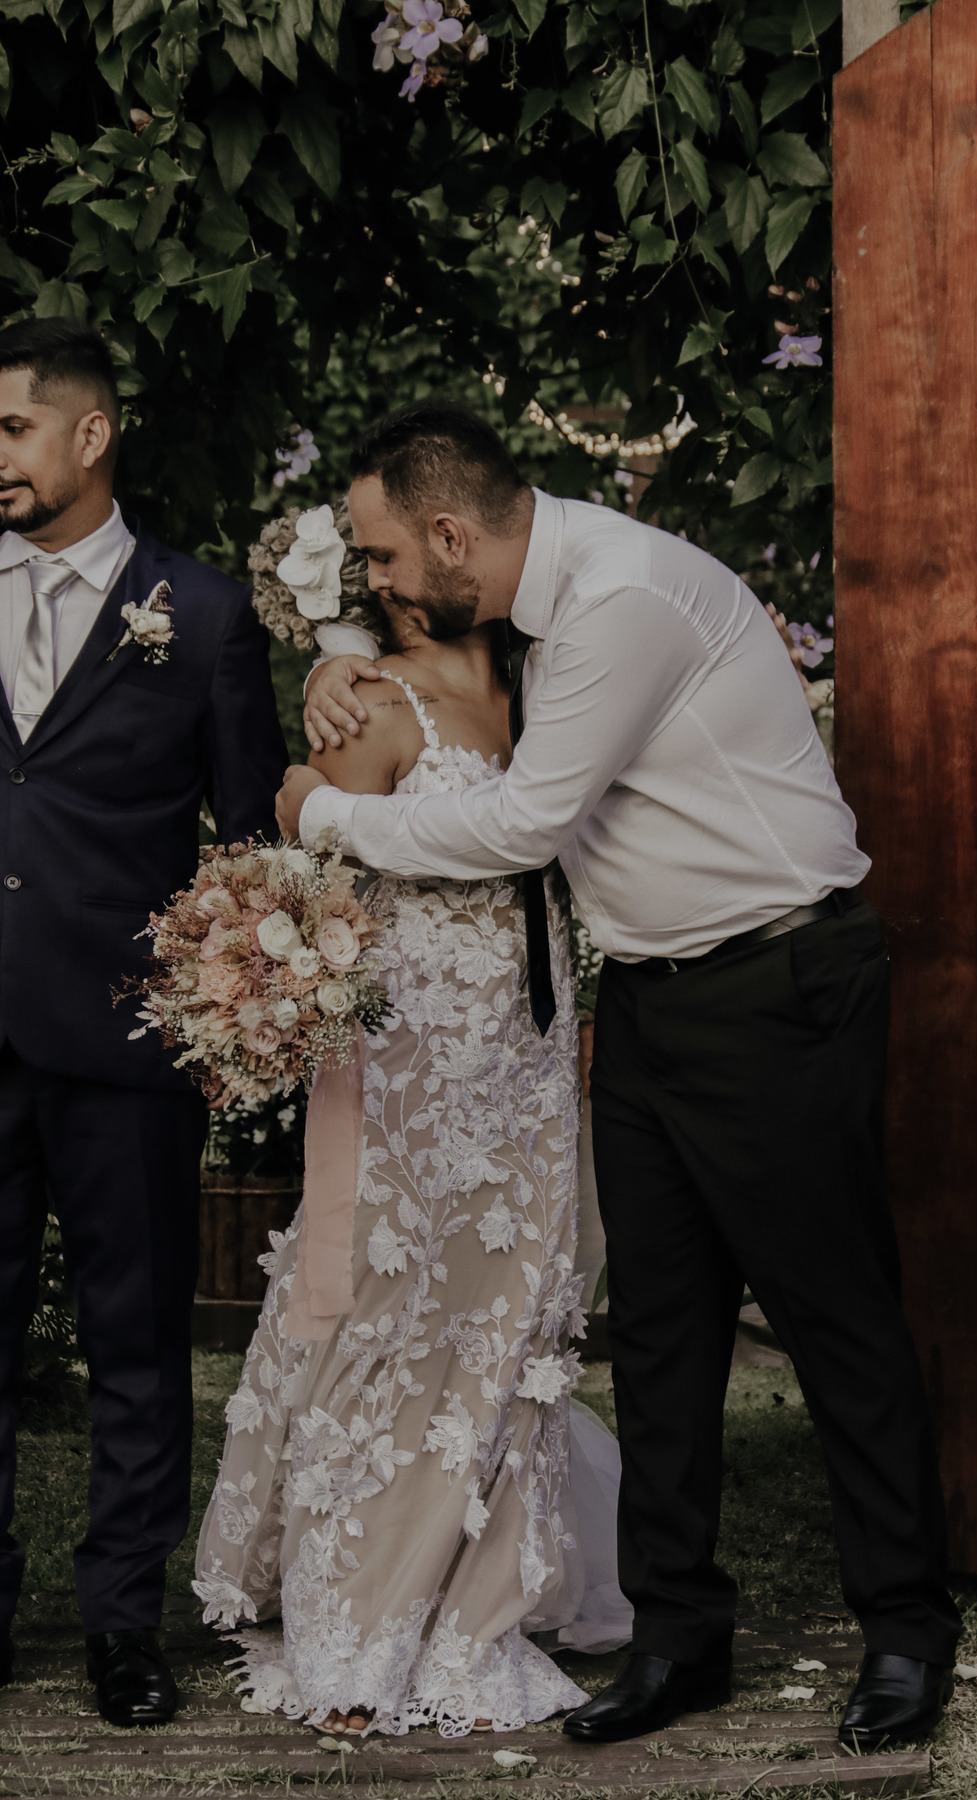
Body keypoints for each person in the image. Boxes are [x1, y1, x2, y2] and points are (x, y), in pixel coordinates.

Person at [279, 401, 963, 1754]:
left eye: (387, 556)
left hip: (774, 982)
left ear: (452, 536)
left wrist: (328, 812)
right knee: (658, 1331)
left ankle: (905, 1630)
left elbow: (529, 821)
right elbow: (428, 674)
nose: (378, 580)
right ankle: (678, 1638)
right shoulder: (525, 596)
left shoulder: (619, 600)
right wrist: (339, 661)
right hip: (651, 998)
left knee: (833, 1317)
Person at [194, 599, 633, 1737]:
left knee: (511, 1326)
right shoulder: (372, 707)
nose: (388, 577)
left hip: (529, 1060)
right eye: (373, 560)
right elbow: (304, 902)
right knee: (386, 1311)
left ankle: (475, 1609)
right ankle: (355, 1614)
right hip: (406, 1073)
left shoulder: (554, 694)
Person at [0, 320, 286, 1726]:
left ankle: (124, 1624)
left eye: (11, 430)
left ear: (91, 434)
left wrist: (225, 1017)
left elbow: (251, 847)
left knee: (137, 1346)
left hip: (127, 1044)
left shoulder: (206, 614)